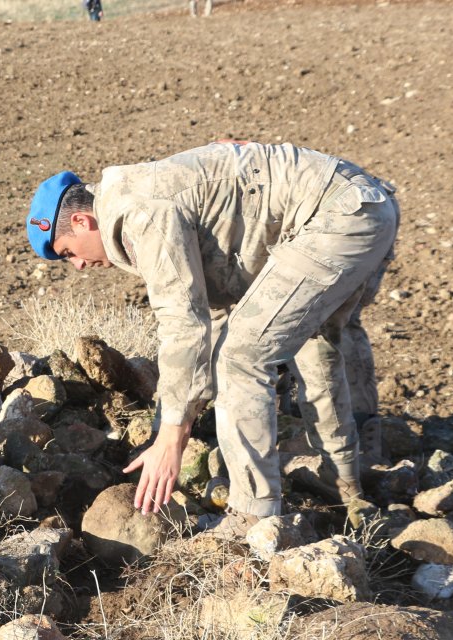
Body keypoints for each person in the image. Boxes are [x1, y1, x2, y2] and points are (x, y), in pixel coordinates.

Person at [25, 141, 398, 535]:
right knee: (312, 341)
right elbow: (213, 317)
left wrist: (172, 437)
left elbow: (184, 324)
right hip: (364, 206)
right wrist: (166, 428)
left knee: (243, 355)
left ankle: (253, 516)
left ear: (82, 222)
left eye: (67, 252)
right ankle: (345, 484)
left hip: (336, 217)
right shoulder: (139, 198)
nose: (80, 266)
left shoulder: (140, 211)